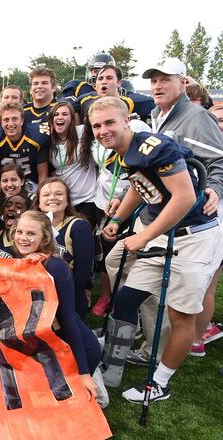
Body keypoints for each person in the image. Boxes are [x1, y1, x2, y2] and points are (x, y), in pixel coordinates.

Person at [92, 96, 219, 403]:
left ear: (126, 121)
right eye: (97, 125)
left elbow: (185, 198)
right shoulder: (124, 151)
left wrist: (142, 236)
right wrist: (118, 218)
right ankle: (114, 367)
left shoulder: (151, 145)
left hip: (193, 237)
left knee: (180, 315)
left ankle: (161, 383)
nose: (103, 130)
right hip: (165, 234)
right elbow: (140, 185)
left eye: (109, 122)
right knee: (125, 299)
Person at [126, 58, 223, 363]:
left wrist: (217, 188)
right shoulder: (158, 114)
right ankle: (158, 336)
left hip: (193, 218)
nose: (158, 85)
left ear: (183, 82)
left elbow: (219, 160)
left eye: (165, 79)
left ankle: (187, 341)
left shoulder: (195, 116)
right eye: (154, 80)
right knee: (150, 284)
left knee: (191, 290)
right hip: (164, 214)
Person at [9, 211, 100, 399]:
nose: (23, 238)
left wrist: (82, 372)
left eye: (31, 234)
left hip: (74, 347)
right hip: (46, 348)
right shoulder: (16, 263)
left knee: (72, 404)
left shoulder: (56, 266)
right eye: (20, 232)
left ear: (45, 237)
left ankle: (94, 381)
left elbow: (69, 319)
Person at [33, 177, 94, 320]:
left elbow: (83, 273)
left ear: (67, 201)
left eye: (59, 194)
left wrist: (62, 296)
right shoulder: (32, 226)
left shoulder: (79, 227)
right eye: (46, 195)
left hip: (68, 298)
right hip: (37, 296)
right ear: (39, 202)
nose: (52, 198)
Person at [47, 102, 97, 221]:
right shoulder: (48, 140)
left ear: (72, 119)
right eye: (56, 114)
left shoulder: (82, 132)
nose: (60, 117)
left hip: (88, 199)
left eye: (65, 114)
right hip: (64, 201)